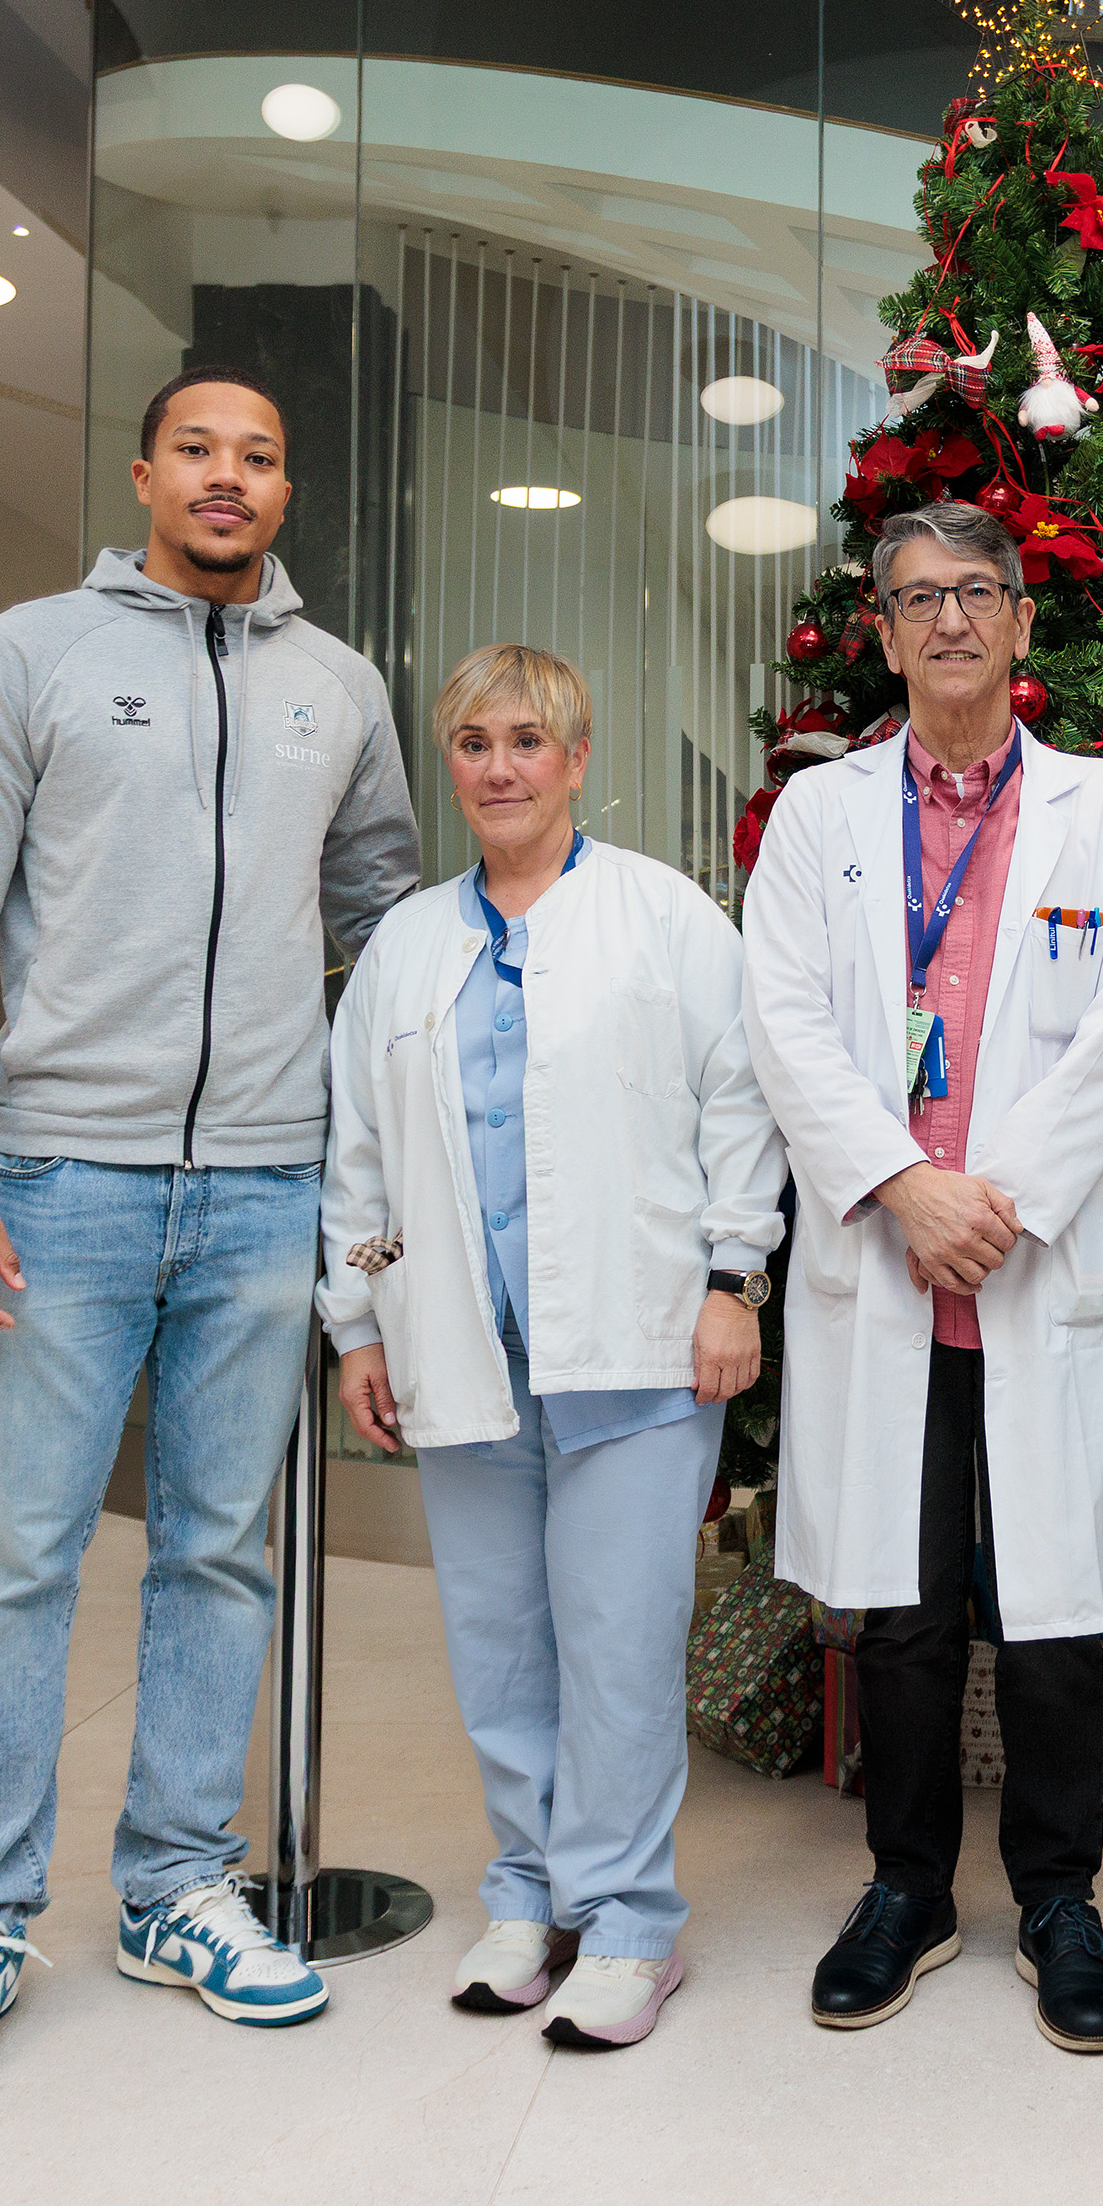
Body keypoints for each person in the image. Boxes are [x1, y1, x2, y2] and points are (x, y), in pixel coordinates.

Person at [0, 364, 421, 2106]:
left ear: (286, 491)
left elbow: (386, 922)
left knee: (219, 1554)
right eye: (202, 448)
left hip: (263, 1184)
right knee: (20, 1553)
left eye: (263, 455)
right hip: (58, 1181)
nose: (231, 478)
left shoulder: (340, 687)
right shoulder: (23, 655)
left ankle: (179, 1884)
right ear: (144, 469)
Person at [740, 499, 1103, 2057]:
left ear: (1018, 620)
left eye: (975, 590)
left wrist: (1003, 1201)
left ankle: (1060, 1896)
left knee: (1049, 1599)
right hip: (888, 1254)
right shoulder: (818, 819)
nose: (947, 620)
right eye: (915, 595)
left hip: (1035, 1260)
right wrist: (905, 1189)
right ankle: (908, 1888)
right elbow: (781, 1020)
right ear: (884, 623)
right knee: (906, 1603)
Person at [320, 644, 785, 2054]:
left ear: (579, 759)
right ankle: (525, 1895)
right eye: (474, 742)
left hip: (637, 1353)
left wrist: (732, 1280)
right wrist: (369, 1311)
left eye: (530, 740)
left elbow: (740, 1108)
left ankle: (632, 1919)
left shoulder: (667, 921)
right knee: (501, 1647)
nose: (502, 766)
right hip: (467, 1360)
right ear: (450, 764)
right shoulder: (406, 948)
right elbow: (366, 1175)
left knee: (621, 1647)